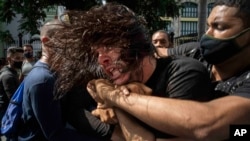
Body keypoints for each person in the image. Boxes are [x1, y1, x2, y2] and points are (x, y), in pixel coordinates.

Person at [87, 0, 250, 140]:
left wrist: (113, 97)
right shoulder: (194, 52)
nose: (207, 35)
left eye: (219, 27)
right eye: (208, 26)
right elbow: (149, 52)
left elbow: (206, 123)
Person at [50, 3, 213, 140]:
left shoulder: (184, 73)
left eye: (108, 46)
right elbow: (88, 92)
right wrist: (106, 94)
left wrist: (115, 100)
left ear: (135, 41)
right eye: (96, 53)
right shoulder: (115, 79)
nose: (102, 60)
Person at [18, 19, 104, 141]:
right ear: (47, 42)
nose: (72, 47)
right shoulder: (42, 80)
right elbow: (55, 135)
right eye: (66, 41)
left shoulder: (56, 72)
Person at [0, 47, 23, 140]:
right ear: (9, 59)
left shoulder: (12, 72)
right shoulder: (7, 76)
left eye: (22, 58)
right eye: (17, 58)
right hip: (7, 112)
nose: (20, 61)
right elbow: (13, 99)